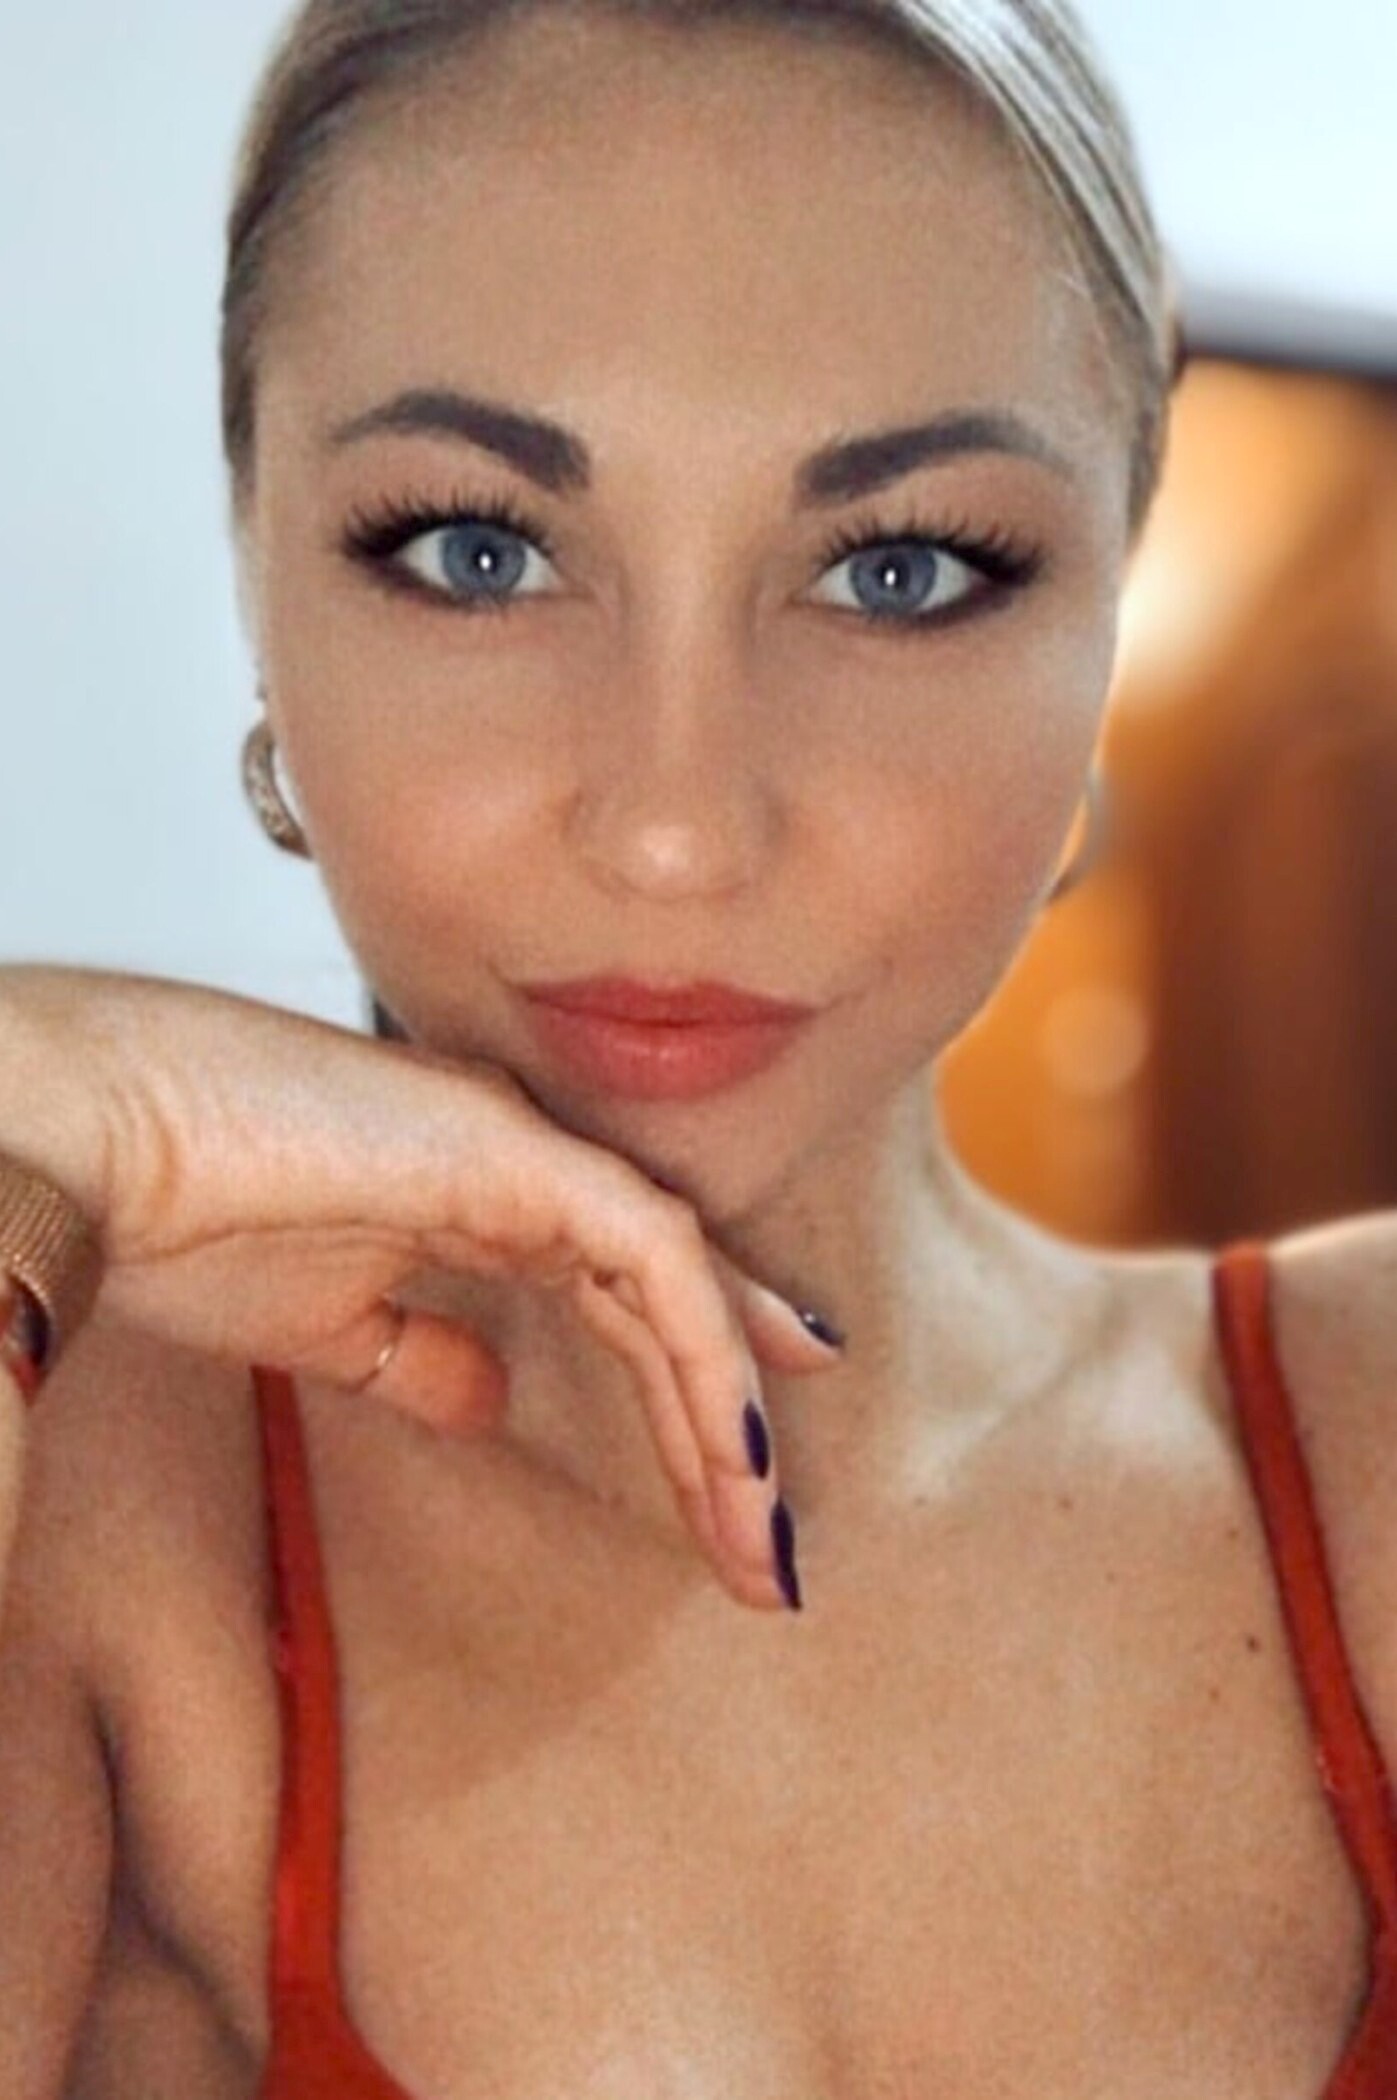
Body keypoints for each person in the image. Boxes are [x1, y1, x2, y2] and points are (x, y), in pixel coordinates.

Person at [1, 0, 1395, 2093]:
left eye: (899, 571)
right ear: (259, 570)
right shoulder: (78, 1497)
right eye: (478, 552)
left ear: (1106, 611)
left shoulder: (1373, 1441)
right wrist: (29, 1104)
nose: (674, 829)